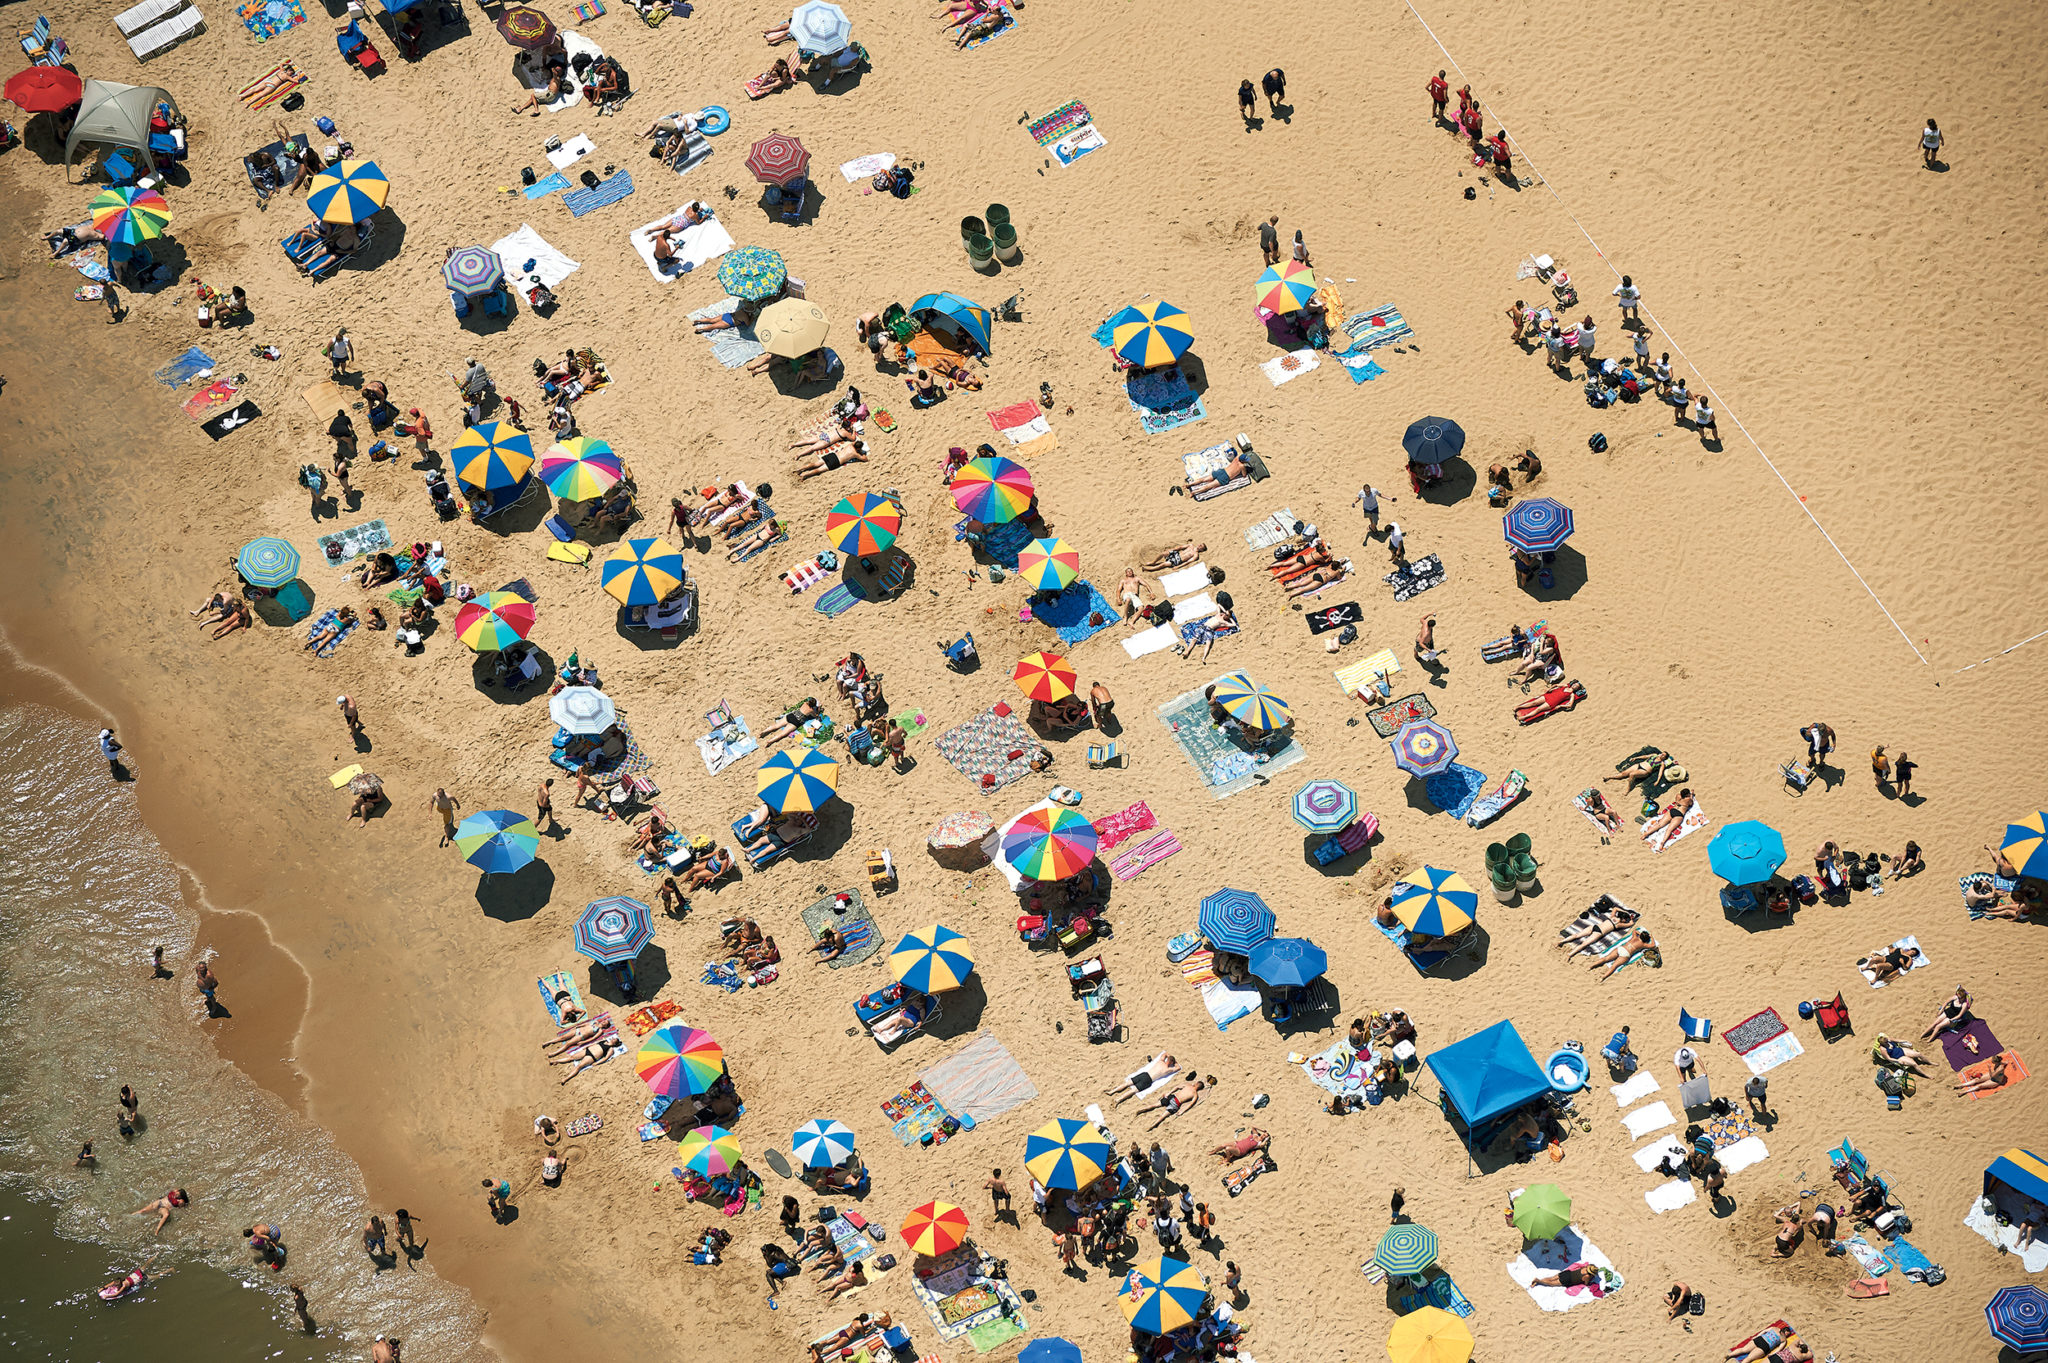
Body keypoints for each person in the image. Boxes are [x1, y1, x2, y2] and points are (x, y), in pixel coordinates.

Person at [1140, 1075, 1211, 1130]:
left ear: (1196, 1084)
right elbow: (1190, 1104)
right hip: (1176, 1103)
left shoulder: (1187, 1085)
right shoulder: (1195, 1094)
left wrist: (1168, 1093)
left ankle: (1141, 1110)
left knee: (1154, 1105)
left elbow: (1177, 1087)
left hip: (1172, 1097)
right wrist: (1182, 1111)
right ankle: (1153, 1125)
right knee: (1163, 1116)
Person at [1106, 1052, 1178, 1103]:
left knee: (1127, 1084)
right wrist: (1175, 1062)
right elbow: (1178, 1068)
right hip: (1148, 1080)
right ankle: (1118, 1100)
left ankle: (1112, 1091)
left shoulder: (1160, 1061)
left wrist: (1169, 1055)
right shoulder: (1167, 1069)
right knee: (1132, 1091)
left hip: (1144, 1074)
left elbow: (1164, 1054)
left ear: (1167, 1059)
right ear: (1171, 1063)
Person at [1587, 929, 1657, 979]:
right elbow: (1653, 945)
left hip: (1621, 948)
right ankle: (1602, 977)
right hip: (1626, 954)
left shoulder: (1634, 937)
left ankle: (1590, 966)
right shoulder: (1643, 944)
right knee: (1614, 966)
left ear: (1640, 935)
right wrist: (1651, 937)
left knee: (1605, 959)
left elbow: (1635, 931)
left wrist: (1640, 933)